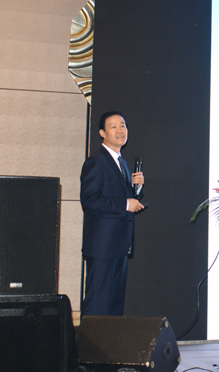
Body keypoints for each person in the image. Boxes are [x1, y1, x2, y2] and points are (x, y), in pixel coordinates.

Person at [80, 111, 144, 316]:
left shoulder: (122, 163)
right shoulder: (96, 161)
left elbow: (123, 197)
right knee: (98, 304)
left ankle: (110, 339)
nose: (120, 130)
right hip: (102, 246)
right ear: (102, 133)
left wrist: (137, 189)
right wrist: (125, 204)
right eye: (113, 126)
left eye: (123, 125)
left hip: (119, 244)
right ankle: (88, 339)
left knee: (114, 305)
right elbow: (89, 199)